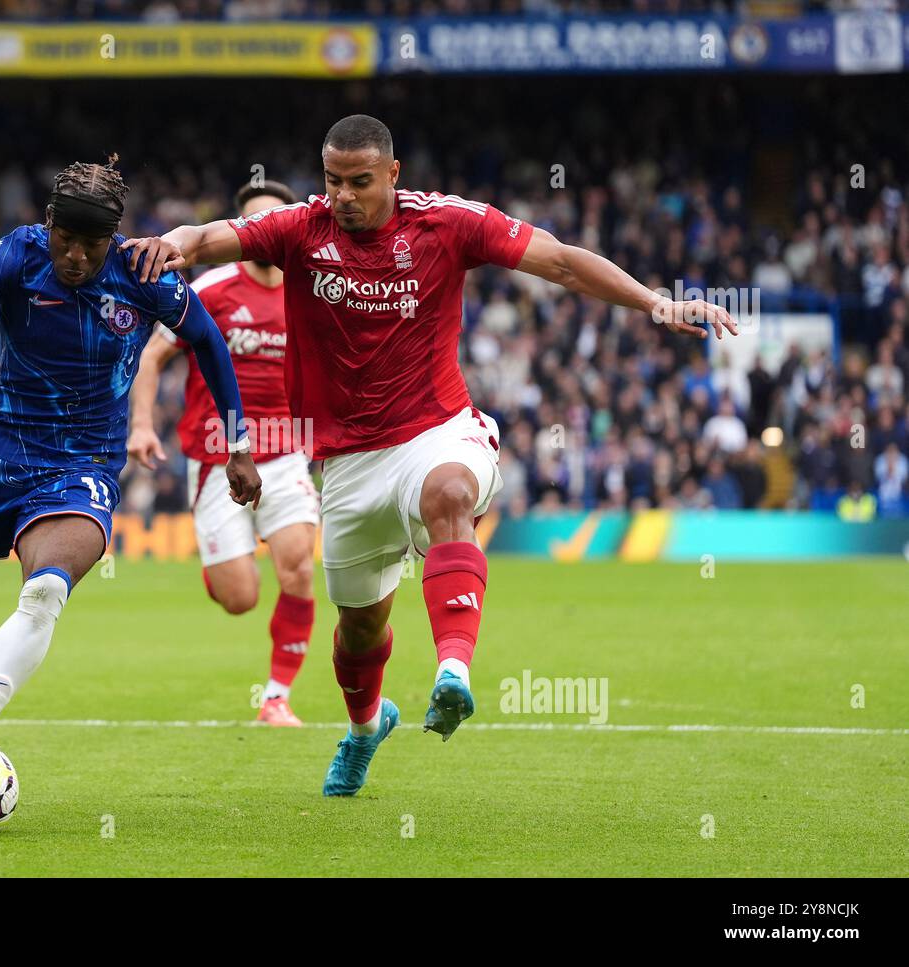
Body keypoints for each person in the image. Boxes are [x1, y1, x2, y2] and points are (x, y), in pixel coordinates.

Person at [122, 115, 737, 796]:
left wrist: (656, 304)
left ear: (393, 173)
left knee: (450, 493)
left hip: (435, 427)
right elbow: (211, 237)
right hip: (348, 460)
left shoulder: (447, 223)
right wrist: (172, 240)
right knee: (359, 627)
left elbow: (560, 260)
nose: (344, 195)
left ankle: (453, 672)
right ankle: (363, 729)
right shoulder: (301, 226)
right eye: (333, 181)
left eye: (360, 182)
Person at [0, 157, 262, 808]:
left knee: (45, 590)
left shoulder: (142, 272)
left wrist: (238, 443)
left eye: (90, 245)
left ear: (112, 240)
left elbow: (210, 343)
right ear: (47, 226)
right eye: (64, 239)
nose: (74, 256)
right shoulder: (18, 254)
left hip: (83, 465)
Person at [128, 179, 319, 727]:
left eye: (272, 221)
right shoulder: (211, 288)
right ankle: (224, 557)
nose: (262, 233)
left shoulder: (309, 291)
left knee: (300, 570)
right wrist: (142, 425)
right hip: (216, 455)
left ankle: (277, 697)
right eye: (252, 222)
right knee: (240, 597)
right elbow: (151, 357)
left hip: (285, 451)